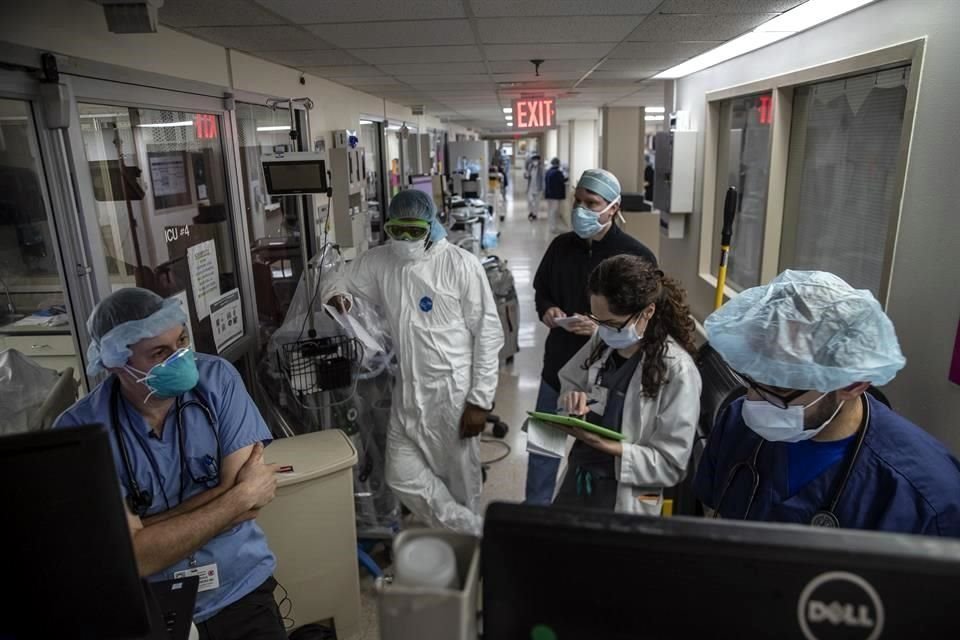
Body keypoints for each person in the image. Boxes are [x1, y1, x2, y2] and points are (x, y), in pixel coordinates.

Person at [54, 288, 285, 639]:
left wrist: (143, 531)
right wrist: (233, 497)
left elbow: (251, 507)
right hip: (147, 606)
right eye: (160, 352)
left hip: (239, 589)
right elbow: (135, 558)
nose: (180, 358)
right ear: (116, 362)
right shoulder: (80, 430)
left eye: (182, 340)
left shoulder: (218, 381)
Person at [695, 270, 960, 536]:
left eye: (780, 384)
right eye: (753, 378)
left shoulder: (927, 497)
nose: (752, 400)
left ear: (852, 384)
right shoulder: (736, 424)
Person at [324, 189, 503, 535]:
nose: (405, 239)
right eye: (397, 231)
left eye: (414, 231)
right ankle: (476, 532)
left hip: (452, 396)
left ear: (431, 226)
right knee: (400, 475)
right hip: (407, 392)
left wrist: (480, 400)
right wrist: (338, 296)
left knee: (462, 484)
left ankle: (471, 556)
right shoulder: (381, 261)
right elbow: (337, 278)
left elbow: (488, 334)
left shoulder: (459, 265)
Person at [526, 168, 657, 505]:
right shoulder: (560, 247)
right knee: (543, 451)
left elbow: (646, 320)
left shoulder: (635, 256)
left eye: (592, 203)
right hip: (558, 367)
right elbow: (543, 291)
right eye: (578, 201)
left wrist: (600, 329)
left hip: (612, 375)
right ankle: (536, 518)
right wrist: (549, 310)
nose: (582, 210)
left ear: (613, 208)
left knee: (600, 458)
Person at [551, 256, 702, 513]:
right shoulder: (603, 342)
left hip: (630, 498)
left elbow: (671, 465)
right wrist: (571, 398)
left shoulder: (677, 370)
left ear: (648, 312)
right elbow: (571, 381)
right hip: (581, 475)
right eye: (596, 320)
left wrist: (606, 446)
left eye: (611, 324)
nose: (601, 329)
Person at [544, 157, 568, 234]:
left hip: (549, 195)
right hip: (555, 195)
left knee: (550, 211)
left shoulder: (548, 171)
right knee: (554, 211)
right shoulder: (557, 172)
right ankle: (553, 228)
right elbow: (562, 180)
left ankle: (551, 226)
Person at [525, 152, 545, 221]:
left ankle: (535, 214)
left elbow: (543, 178)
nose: (535, 161)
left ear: (539, 160)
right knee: (530, 201)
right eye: (534, 160)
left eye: (536, 160)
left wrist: (543, 188)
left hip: (538, 188)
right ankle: (531, 212)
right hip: (530, 187)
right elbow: (527, 175)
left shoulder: (541, 168)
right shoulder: (530, 167)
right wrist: (526, 175)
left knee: (537, 202)